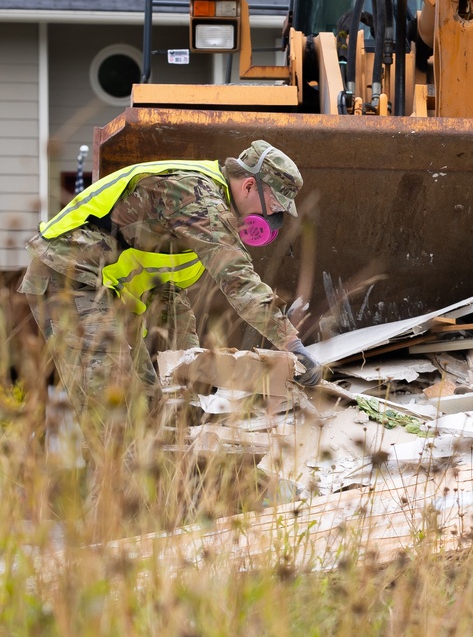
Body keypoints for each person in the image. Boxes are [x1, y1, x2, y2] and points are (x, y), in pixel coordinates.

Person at [19, 140, 322, 438]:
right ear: (248, 187)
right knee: (112, 408)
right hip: (69, 273)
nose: (273, 220)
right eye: (273, 207)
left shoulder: (207, 218)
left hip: (100, 289)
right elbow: (238, 281)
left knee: (150, 407)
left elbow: (169, 298)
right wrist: (291, 343)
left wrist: (189, 369)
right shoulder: (200, 200)